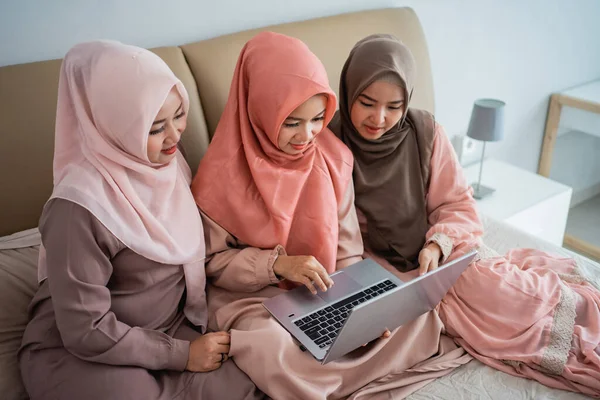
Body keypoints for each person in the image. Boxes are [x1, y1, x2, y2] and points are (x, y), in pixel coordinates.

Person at [191, 31, 472, 400]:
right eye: (291, 122)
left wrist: (358, 309)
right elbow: (210, 264)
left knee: (418, 315)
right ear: (257, 109)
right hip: (253, 297)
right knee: (268, 348)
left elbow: (348, 253)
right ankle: (331, 373)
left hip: (324, 292)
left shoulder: (334, 158)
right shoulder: (217, 177)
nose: (307, 135)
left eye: (318, 119)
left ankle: (326, 370)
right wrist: (277, 266)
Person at [329, 33, 600, 397]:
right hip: (380, 268)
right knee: (425, 325)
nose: (379, 118)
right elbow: (331, 233)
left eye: (394, 106)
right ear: (348, 91)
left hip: (442, 250)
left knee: (510, 296)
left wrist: (437, 245)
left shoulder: (425, 132)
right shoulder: (329, 146)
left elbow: (458, 204)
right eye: (366, 102)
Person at [18, 40, 264, 400]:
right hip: (84, 346)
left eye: (179, 115)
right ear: (114, 126)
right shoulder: (78, 209)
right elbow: (85, 329)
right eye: (154, 128)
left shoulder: (165, 164)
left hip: (168, 326)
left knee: (254, 381)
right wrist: (182, 355)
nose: (175, 136)